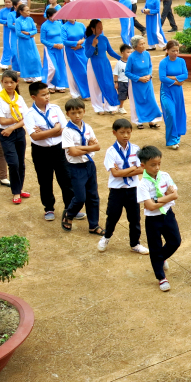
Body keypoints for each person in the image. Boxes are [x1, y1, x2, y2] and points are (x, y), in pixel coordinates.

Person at [23, 81, 82, 222]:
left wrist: (46, 132)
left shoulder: (55, 109)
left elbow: (65, 129)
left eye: (48, 93)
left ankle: (71, 208)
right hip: (40, 151)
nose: (47, 97)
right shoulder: (29, 114)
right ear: (33, 97)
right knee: (45, 180)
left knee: (66, 179)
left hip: (58, 149)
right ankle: (49, 208)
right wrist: (55, 130)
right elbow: (35, 136)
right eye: (43, 95)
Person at [97, 118, 148, 254]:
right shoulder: (111, 152)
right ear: (114, 133)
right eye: (122, 132)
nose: (125, 136)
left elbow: (142, 169)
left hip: (133, 189)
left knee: (135, 218)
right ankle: (106, 237)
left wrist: (122, 171)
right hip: (117, 190)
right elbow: (115, 174)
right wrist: (132, 169)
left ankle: (135, 243)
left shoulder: (136, 149)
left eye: (128, 132)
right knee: (113, 216)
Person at [137, 145, 181, 292]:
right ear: (143, 166)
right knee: (155, 247)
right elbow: (149, 206)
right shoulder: (142, 184)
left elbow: (175, 195)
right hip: (153, 220)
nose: (157, 168)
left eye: (159, 164)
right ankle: (161, 277)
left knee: (175, 241)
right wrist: (166, 198)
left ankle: (160, 258)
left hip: (167, 214)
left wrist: (160, 200)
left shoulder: (165, 176)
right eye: (153, 165)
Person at [60, 98, 103, 234]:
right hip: (76, 167)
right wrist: (89, 147)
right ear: (68, 114)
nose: (77, 116)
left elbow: (97, 146)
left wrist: (83, 148)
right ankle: (69, 213)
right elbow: (72, 152)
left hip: (89, 164)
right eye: (73, 113)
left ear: (84, 111)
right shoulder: (67, 131)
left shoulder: (87, 127)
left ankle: (93, 225)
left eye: (79, 112)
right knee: (80, 197)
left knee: (93, 196)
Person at [0, 71, 29, 204]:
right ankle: (15, 192)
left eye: (12, 82)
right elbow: (2, 121)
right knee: (13, 163)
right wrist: (17, 119)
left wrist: (12, 126)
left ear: (16, 83)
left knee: (21, 163)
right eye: (6, 82)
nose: (9, 85)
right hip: (5, 134)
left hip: (17, 132)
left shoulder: (18, 98)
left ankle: (19, 189)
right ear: (2, 82)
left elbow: (26, 118)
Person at [83, 20, 121, 115]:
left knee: (109, 84)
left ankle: (110, 106)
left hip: (105, 64)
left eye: (101, 27)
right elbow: (88, 55)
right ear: (93, 29)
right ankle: (98, 107)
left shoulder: (104, 38)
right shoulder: (88, 40)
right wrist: (93, 45)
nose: (101, 29)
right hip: (93, 64)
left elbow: (111, 52)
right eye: (99, 27)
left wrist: (122, 59)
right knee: (95, 86)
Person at [125, 36, 163, 129]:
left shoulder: (147, 54)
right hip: (136, 84)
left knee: (150, 100)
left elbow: (150, 66)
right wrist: (139, 78)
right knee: (138, 102)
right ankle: (139, 121)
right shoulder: (131, 57)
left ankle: (152, 121)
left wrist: (149, 75)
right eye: (141, 44)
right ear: (135, 46)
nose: (143, 45)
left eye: (143, 43)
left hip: (147, 82)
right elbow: (127, 72)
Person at [158, 41, 188, 149]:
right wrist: (176, 81)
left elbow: (185, 74)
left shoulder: (181, 61)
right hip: (166, 92)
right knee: (170, 113)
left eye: (177, 51)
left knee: (178, 114)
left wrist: (171, 77)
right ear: (167, 50)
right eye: (173, 51)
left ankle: (177, 138)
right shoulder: (163, 62)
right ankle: (171, 140)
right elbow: (162, 78)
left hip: (178, 93)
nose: (176, 53)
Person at [40, 8, 69, 94]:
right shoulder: (44, 25)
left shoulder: (59, 23)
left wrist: (62, 44)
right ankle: (50, 84)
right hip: (50, 49)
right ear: (49, 15)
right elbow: (42, 40)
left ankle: (60, 85)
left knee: (61, 66)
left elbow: (63, 36)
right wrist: (53, 45)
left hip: (60, 48)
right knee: (53, 67)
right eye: (54, 15)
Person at [62, 19, 90, 100]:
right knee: (79, 72)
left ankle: (87, 91)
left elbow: (87, 37)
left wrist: (81, 45)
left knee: (86, 71)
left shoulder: (81, 25)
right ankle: (83, 93)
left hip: (82, 51)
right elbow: (64, 41)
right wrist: (76, 43)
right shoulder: (64, 27)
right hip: (72, 52)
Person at [15, 4, 42, 83]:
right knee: (25, 58)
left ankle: (36, 74)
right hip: (23, 43)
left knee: (35, 57)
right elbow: (18, 33)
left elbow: (35, 30)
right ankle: (27, 76)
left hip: (31, 42)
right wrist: (28, 36)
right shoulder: (18, 21)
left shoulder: (30, 19)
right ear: (21, 12)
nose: (28, 12)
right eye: (26, 11)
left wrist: (28, 33)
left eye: (29, 10)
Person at [0, 0, 16, 69]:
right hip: (6, 30)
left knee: (15, 46)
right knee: (7, 45)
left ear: (12, 3)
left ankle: (15, 63)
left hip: (14, 30)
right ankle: (5, 62)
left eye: (9, 2)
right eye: (6, 2)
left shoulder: (15, 11)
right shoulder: (2, 11)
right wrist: (6, 22)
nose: (7, 3)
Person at [114, 45, 131, 115]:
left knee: (132, 96)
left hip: (130, 82)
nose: (130, 54)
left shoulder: (131, 63)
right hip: (122, 82)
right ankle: (121, 107)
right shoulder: (119, 63)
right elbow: (116, 74)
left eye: (130, 52)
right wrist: (116, 82)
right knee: (122, 96)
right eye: (128, 52)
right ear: (122, 53)